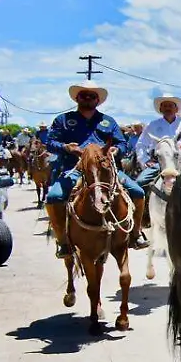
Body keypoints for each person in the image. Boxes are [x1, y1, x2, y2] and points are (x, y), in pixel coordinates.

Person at [43, 80, 149, 257]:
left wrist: (117, 150)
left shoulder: (108, 121)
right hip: (74, 168)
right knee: (53, 198)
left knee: (138, 192)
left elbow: (122, 143)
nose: (88, 98)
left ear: (97, 100)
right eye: (84, 95)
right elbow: (50, 143)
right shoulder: (63, 120)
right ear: (77, 98)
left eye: (92, 96)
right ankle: (63, 240)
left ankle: (135, 233)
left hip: (106, 169)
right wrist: (66, 148)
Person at [136, 94, 181, 193]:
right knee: (140, 182)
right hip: (159, 164)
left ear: (176, 109)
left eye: (171, 106)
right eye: (165, 106)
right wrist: (145, 161)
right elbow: (141, 144)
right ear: (161, 109)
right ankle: (144, 207)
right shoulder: (152, 125)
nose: (168, 108)